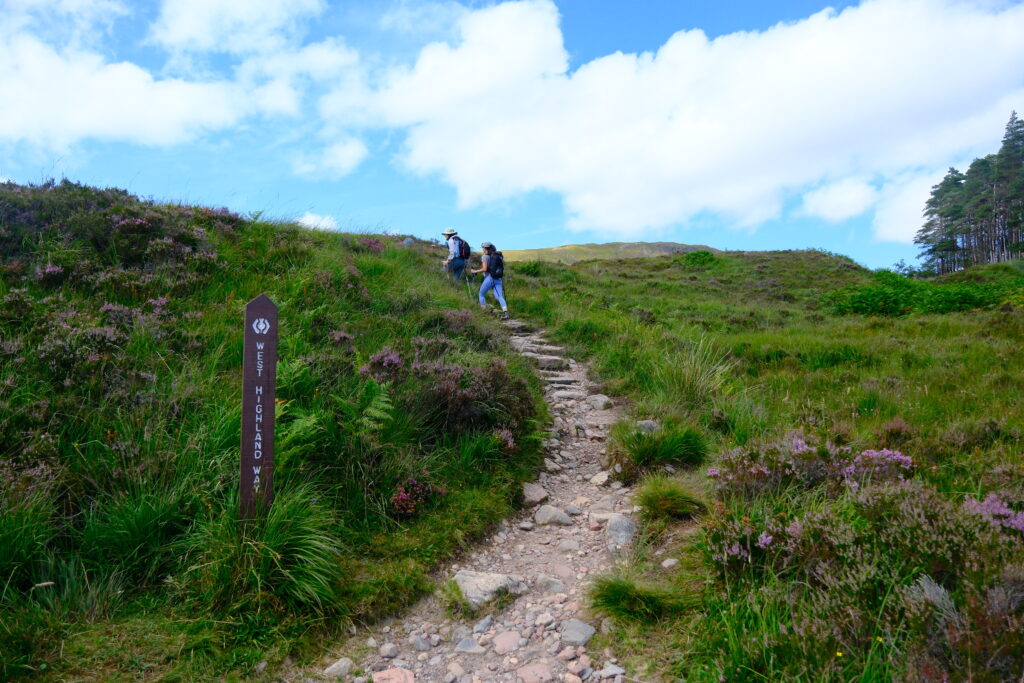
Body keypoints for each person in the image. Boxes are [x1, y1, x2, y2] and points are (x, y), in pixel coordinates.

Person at [472, 241, 509, 320]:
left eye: (482, 247)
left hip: (490, 278)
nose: (482, 249)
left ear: (485, 248)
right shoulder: (497, 255)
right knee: (499, 296)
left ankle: (484, 312)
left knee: (481, 294)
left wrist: (475, 271)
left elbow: (485, 269)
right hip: (498, 278)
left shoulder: (485, 257)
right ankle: (506, 312)